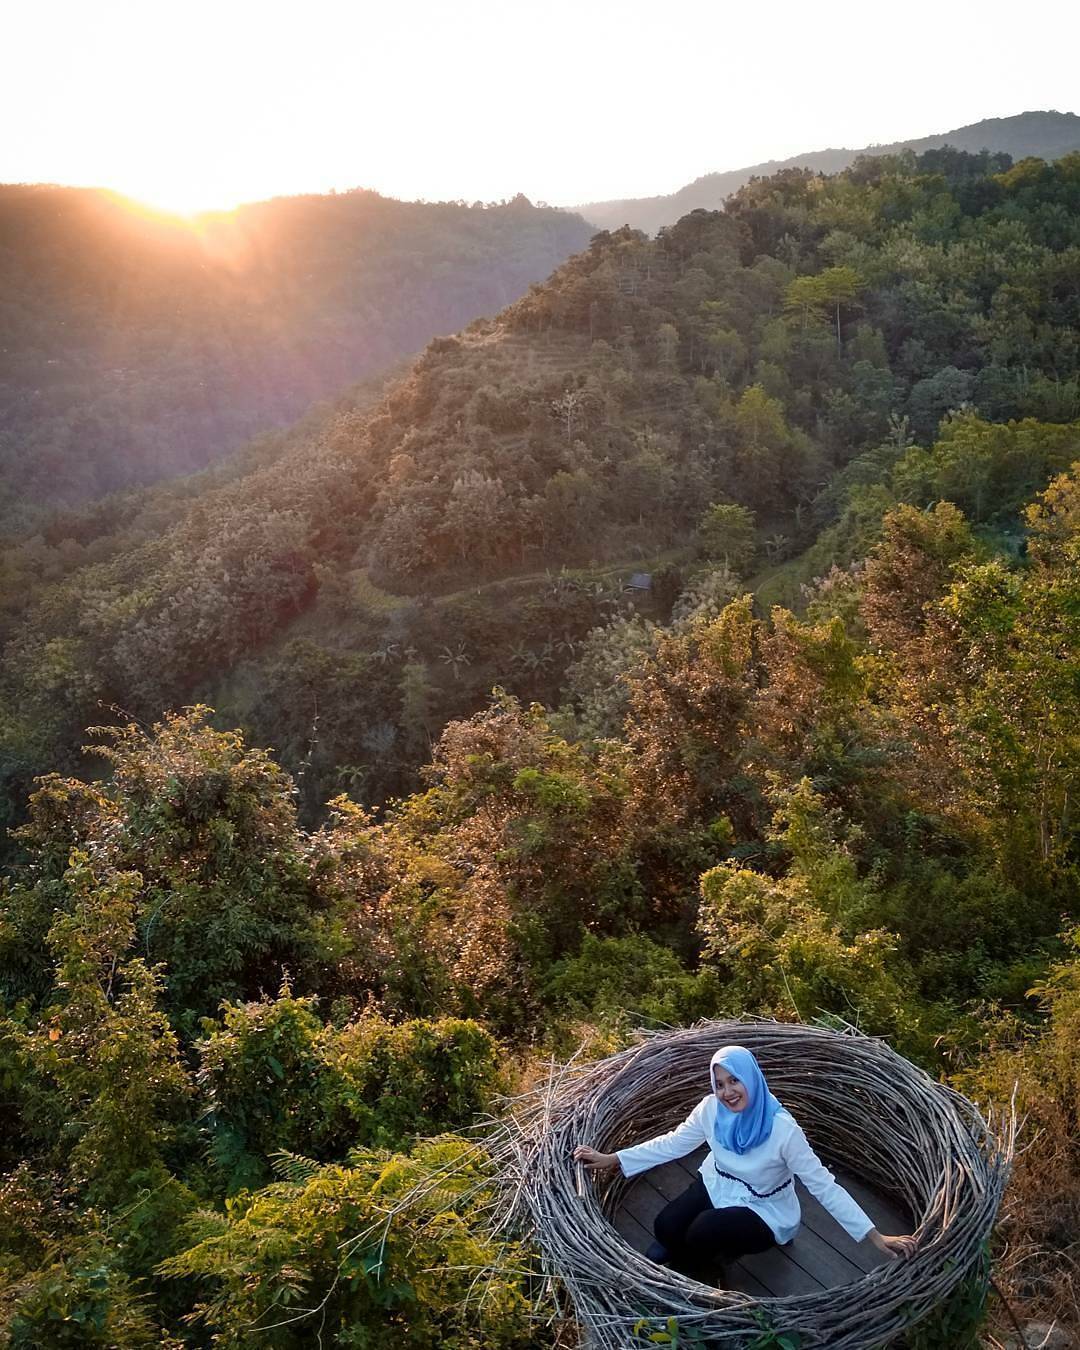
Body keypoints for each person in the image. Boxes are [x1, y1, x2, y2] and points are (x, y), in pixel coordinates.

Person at [573, 1044, 917, 1280]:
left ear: (751, 1078)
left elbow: (823, 1184)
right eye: (719, 1083)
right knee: (665, 1226)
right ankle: (697, 1256)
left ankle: (706, 1268)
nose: (727, 1091)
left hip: (762, 1207)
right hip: (718, 1183)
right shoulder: (712, 1110)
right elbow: (674, 1143)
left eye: (734, 1080)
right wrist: (614, 1159)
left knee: (701, 1232)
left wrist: (874, 1236)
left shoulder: (783, 1130)